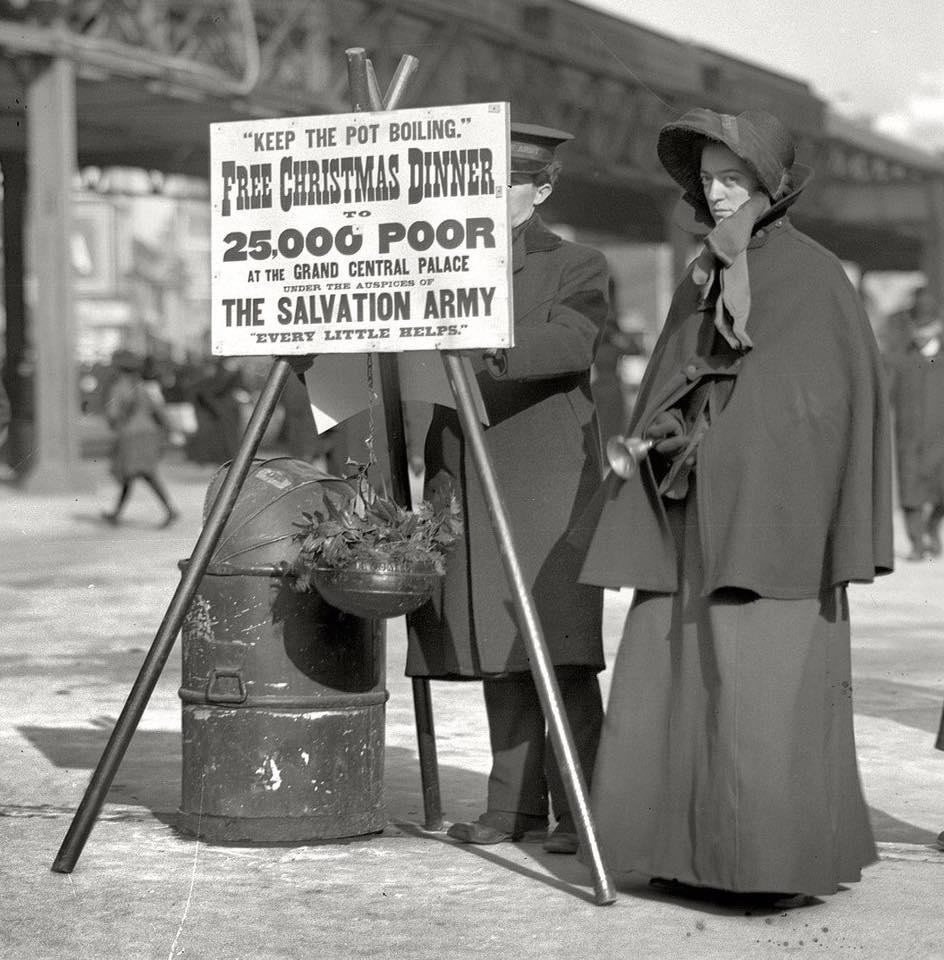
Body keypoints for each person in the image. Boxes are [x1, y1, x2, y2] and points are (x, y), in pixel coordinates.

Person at [579, 108, 893, 903]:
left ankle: (763, 868)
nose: (718, 195)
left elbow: (816, 408)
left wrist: (722, 444)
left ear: (770, 186)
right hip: (692, 510)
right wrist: (668, 431)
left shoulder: (812, 274)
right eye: (709, 179)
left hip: (768, 522)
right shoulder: (708, 270)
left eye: (735, 179)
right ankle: (682, 855)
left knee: (758, 685)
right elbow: (674, 376)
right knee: (677, 670)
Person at [406, 122, 611, 854]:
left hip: (546, 479)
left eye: (504, 186)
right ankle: (512, 810)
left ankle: (583, 813)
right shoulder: (439, 262)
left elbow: (573, 341)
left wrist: (476, 336)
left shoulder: (576, 263)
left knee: (558, 649)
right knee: (501, 646)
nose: (487, 201)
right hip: (468, 466)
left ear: (542, 189)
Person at [886, 286, 944, 561]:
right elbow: (886, 392)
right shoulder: (900, 359)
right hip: (908, 437)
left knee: (940, 490)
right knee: (910, 491)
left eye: (928, 326)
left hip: (941, 439)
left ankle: (933, 528)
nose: (922, 332)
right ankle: (917, 542)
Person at [102, 350, 179, 527]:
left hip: (130, 436)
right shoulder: (143, 387)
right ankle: (116, 514)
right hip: (149, 434)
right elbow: (159, 411)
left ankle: (170, 510)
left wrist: (115, 424)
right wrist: (168, 429)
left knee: (139, 473)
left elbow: (112, 414)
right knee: (134, 474)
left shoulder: (118, 388)